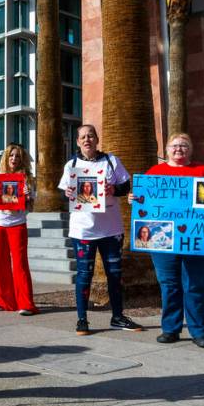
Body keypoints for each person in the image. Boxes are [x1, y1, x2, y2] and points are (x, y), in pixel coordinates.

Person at [128, 132, 204, 349]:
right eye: (175, 145)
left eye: (184, 145)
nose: (179, 149)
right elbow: (146, 203)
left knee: (196, 286)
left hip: (197, 238)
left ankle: (199, 332)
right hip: (162, 239)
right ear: (167, 149)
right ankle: (171, 329)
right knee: (169, 285)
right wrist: (134, 199)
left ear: (191, 150)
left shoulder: (203, 171)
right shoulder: (155, 172)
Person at [58, 124, 142, 336]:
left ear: (97, 139)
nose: (87, 140)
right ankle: (82, 319)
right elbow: (63, 194)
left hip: (111, 230)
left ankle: (117, 317)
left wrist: (113, 188)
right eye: (83, 137)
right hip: (83, 231)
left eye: (91, 136)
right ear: (78, 142)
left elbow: (126, 186)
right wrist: (68, 192)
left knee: (114, 274)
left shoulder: (111, 161)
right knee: (84, 275)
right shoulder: (71, 165)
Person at [0, 144, 38, 316]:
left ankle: (25, 304)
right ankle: (2, 301)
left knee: (20, 264)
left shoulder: (27, 179)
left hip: (17, 224)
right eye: (11, 155)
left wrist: (27, 195)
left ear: (22, 159)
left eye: (17, 156)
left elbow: (30, 207)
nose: (14, 159)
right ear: (6, 158)